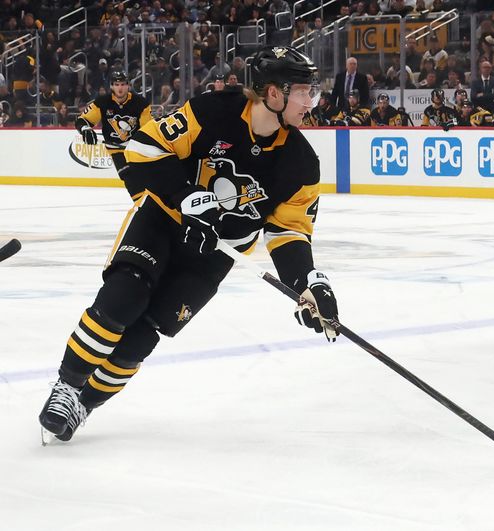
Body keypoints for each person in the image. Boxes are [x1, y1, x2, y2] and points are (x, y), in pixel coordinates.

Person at [38, 46, 339, 443]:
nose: (311, 100)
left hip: (214, 254)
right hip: (163, 220)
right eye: (303, 91)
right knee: (123, 299)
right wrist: (183, 197)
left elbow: (288, 233)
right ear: (273, 93)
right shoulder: (214, 111)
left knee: (145, 334)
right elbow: (143, 147)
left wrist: (308, 284)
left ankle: (85, 403)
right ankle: (67, 385)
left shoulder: (301, 162)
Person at [75, 70, 152, 191]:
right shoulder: (102, 102)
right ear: (111, 86)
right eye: (116, 85)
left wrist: (140, 143)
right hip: (116, 150)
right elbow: (82, 120)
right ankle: (141, 205)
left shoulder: (140, 103)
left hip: (136, 149)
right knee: (128, 176)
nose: (120, 88)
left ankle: (147, 205)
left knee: (144, 178)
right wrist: (85, 129)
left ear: (128, 85)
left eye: (123, 84)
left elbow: (148, 130)